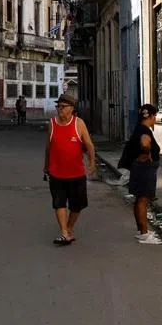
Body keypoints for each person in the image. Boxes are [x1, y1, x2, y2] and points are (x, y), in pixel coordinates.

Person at [43, 93, 96, 245]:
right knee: (58, 203)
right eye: (58, 106)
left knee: (77, 205)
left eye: (63, 107)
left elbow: (89, 145)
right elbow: (48, 147)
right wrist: (46, 166)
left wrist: (92, 163)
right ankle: (64, 232)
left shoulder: (78, 124)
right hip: (56, 173)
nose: (60, 109)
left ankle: (69, 228)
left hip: (76, 173)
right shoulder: (52, 124)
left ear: (72, 109)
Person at [118, 104, 162, 244]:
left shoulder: (139, 128)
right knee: (143, 200)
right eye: (154, 116)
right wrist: (147, 155)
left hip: (139, 168)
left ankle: (141, 230)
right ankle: (144, 234)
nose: (155, 118)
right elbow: (145, 144)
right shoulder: (144, 131)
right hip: (144, 169)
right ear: (150, 116)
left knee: (139, 199)